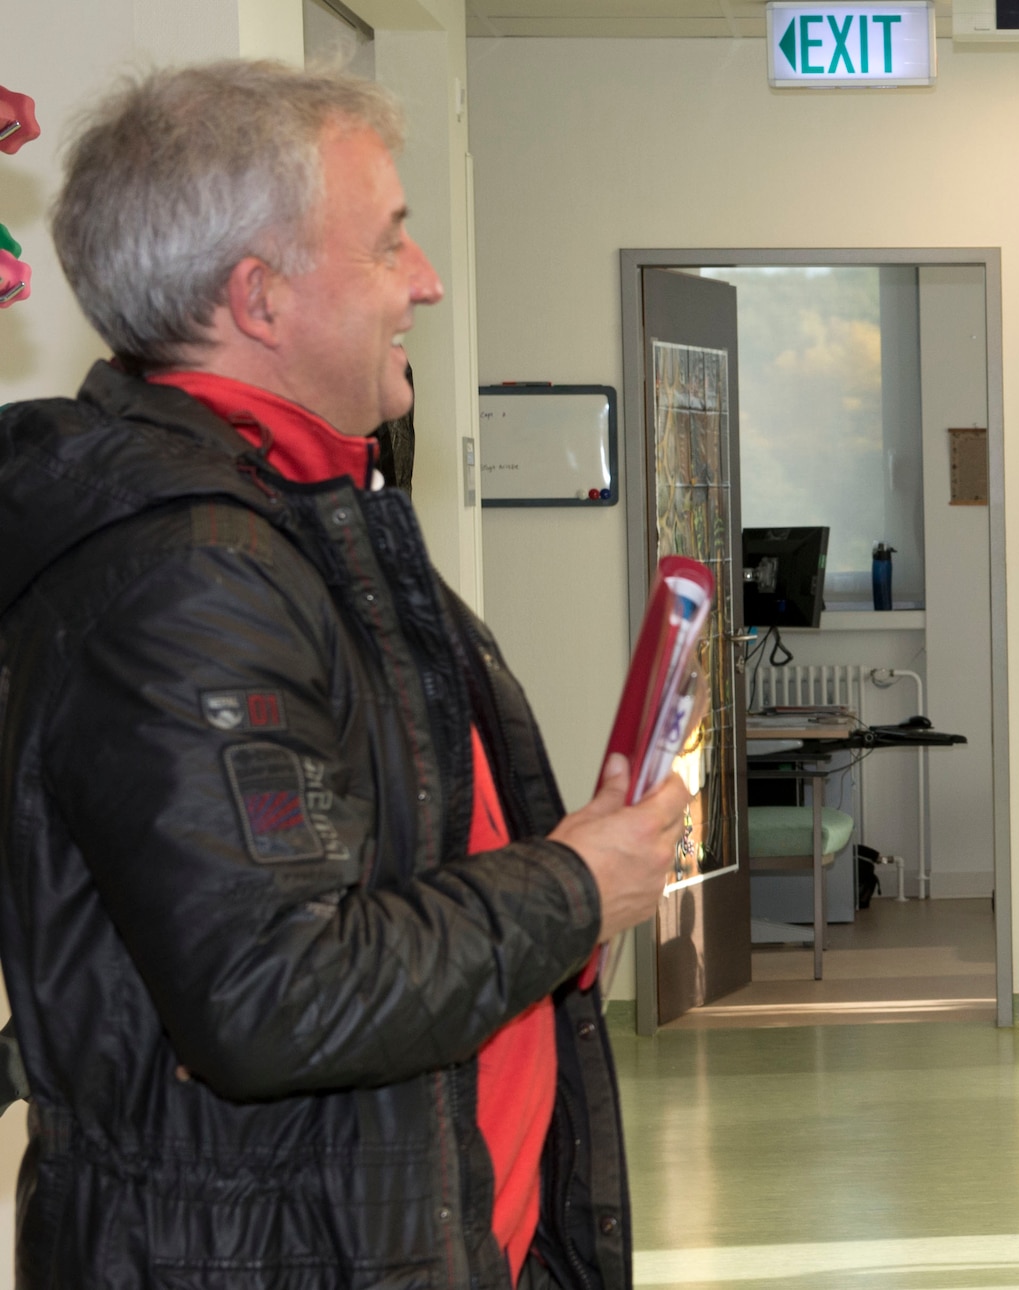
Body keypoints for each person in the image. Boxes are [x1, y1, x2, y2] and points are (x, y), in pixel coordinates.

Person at [0, 62, 691, 1289]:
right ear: (258, 299)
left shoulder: (315, 519)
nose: (424, 280)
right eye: (388, 244)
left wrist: (569, 867)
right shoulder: (187, 577)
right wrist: (572, 890)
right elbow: (278, 991)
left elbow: (392, 866)